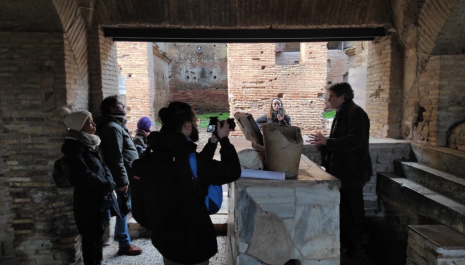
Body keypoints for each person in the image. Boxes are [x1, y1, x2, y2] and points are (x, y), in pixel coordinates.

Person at [133, 101, 241, 265]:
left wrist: (212, 142)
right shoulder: (188, 159)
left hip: (166, 241)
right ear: (186, 125)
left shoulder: (155, 153)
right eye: (195, 121)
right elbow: (232, 171)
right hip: (192, 243)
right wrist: (225, 141)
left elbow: (194, 166)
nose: (197, 125)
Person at [309, 82, 373, 259]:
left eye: (331, 96)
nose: (328, 100)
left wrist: (327, 142)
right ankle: (348, 246)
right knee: (345, 211)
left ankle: (359, 250)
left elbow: (354, 141)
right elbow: (341, 138)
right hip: (344, 172)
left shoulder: (356, 113)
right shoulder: (343, 111)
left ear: (342, 97)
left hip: (353, 172)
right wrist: (325, 142)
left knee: (354, 212)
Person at [60, 108, 120, 265]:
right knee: (90, 239)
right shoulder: (73, 148)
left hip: (100, 197)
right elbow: (84, 174)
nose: (94, 125)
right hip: (87, 201)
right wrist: (106, 184)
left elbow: (103, 164)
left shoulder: (92, 142)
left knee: (98, 236)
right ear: (79, 126)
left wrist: (109, 180)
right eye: (90, 122)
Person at [94, 95, 143, 256]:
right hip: (122, 176)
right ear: (111, 108)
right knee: (122, 208)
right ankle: (124, 243)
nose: (123, 105)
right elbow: (115, 156)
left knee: (121, 207)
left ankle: (123, 241)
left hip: (126, 173)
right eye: (120, 104)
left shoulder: (116, 125)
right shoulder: (112, 128)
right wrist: (122, 180)